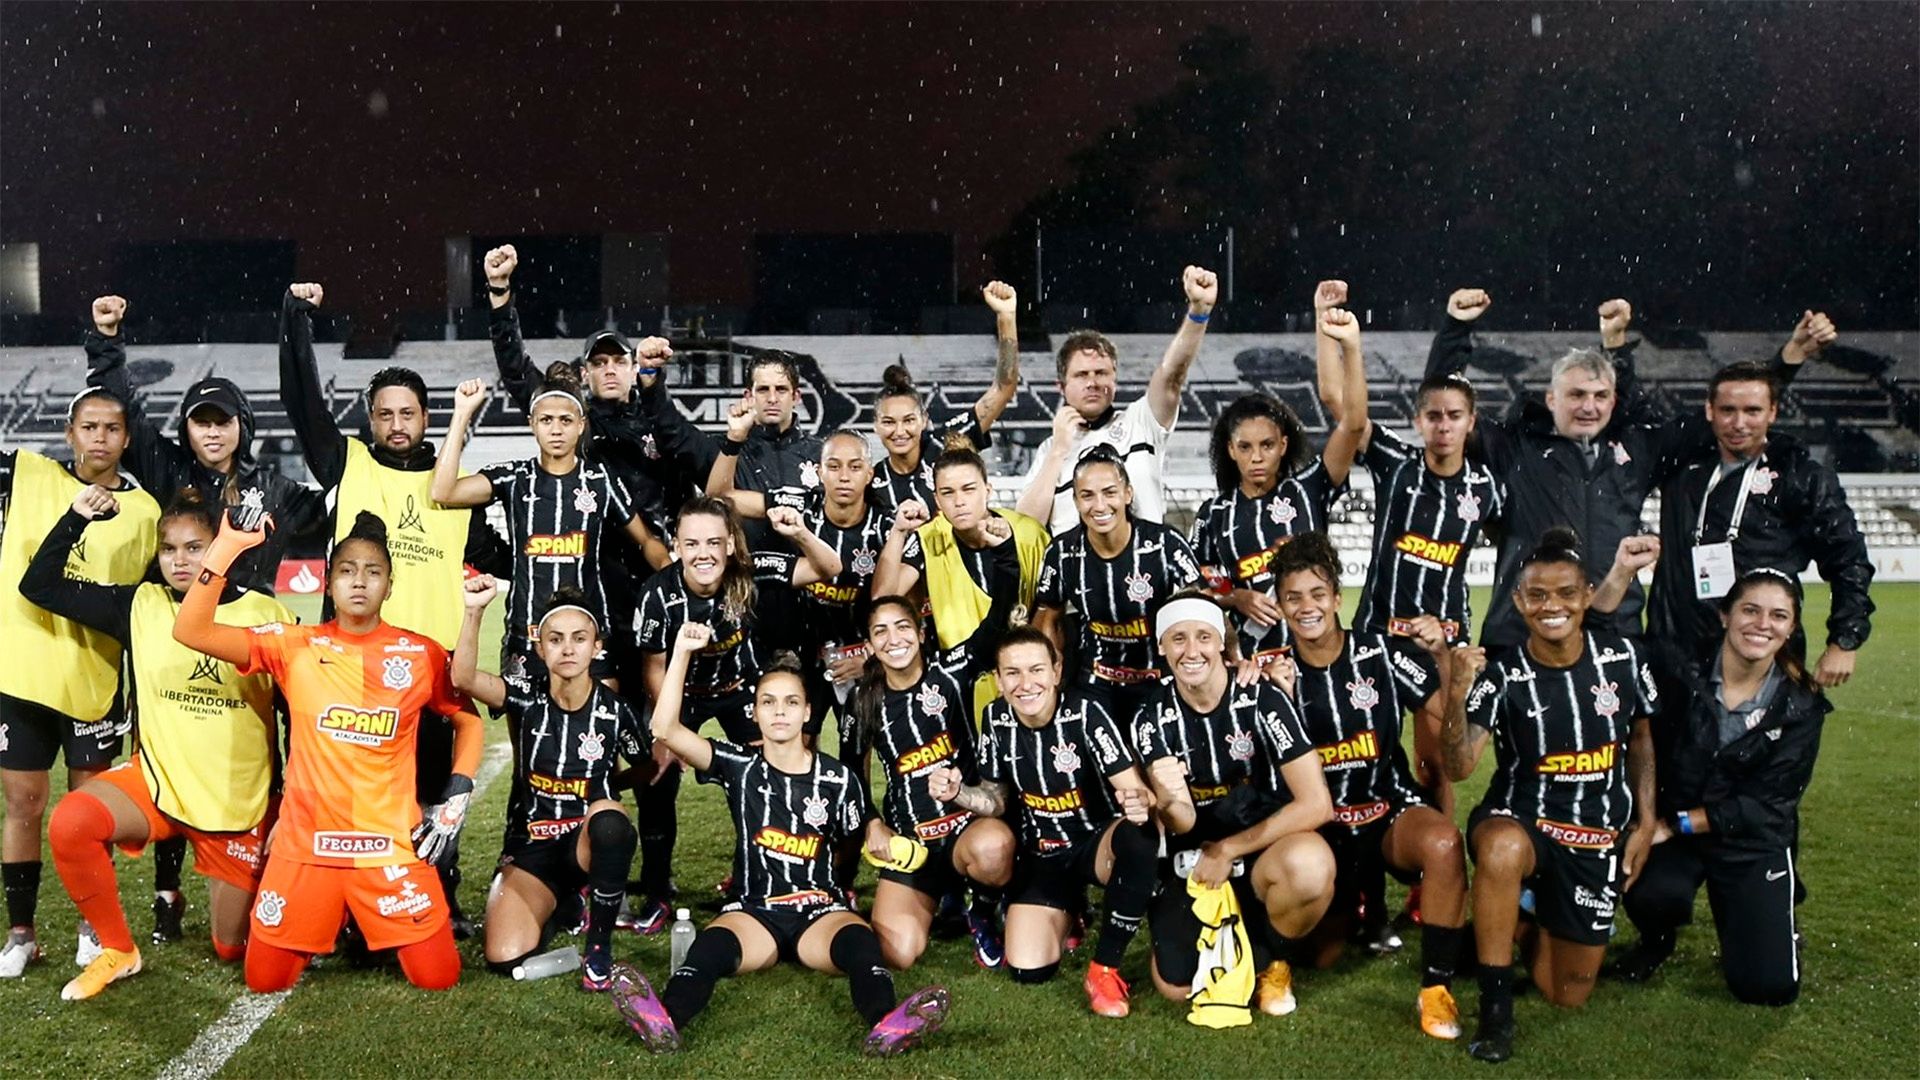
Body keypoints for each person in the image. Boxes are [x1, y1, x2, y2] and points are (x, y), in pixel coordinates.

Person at [86, 292, 330, 940]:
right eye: (200, 421)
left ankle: (278, 862)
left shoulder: (276, 489)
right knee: (167, 754)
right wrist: (107, 339)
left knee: (271, 756)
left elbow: (344, 499)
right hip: (179, 635)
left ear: (242, 424)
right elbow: (128, 409)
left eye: (222, 420)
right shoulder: (168, 468)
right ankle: (168, 890)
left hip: (252, 646)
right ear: (188, 428)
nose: (212, 431)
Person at [280, 281, 511, 935]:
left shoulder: (455, 484)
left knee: (440, 792)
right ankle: (356, 906)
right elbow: (302, 404)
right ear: (370, 419)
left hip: (435, 670)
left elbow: (502, 552)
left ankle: (441, 896)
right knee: (366, 793)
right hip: (358, 669)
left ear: (426, 419)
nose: (397, 424)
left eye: (408, 413)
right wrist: (295, 319)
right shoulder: (346, 462)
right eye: (385, 414)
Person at [172, 511, 484, 993]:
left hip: (388, 847)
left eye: (373, 572)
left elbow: (467, 720)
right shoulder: (293, 644)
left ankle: (355, 919)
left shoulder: (419, 654)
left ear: (389, 584)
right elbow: (192, 631)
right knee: (264, 980)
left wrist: (457, 792)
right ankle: (334, 919)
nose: (359, 582)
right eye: (347, 571)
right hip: (306, 848)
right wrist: (227, 547)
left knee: (438, 977)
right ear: (329, 581)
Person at [608, 627, 952, 1057]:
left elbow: (851, 839)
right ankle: (665, 1019)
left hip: (820, 913)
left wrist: (872, 840)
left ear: (808, 712)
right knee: (711, 946)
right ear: (754, 713)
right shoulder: (738, 766)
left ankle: (886, 1024)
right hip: (756, 913)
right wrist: (680, 652)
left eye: (791, 702)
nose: (780, 712)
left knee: (860, 943)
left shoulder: (837, 779)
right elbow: (664, 728)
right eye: (768, 703)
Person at [1426, 290, 1831, 647]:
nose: (1590, 406)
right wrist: (1455, 331)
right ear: (1551, 399)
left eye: (1601, 395)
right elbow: (1443, 405)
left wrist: (1789, 358)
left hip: (1614, 630)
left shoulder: (1637, 449)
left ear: (1613, 401)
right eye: (1577, 395)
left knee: (1624, 737)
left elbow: (1732, 415)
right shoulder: (1512, 447)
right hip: (1522, 629)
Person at [23, 487, 291, 999]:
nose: (179, 561)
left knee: (233, 948)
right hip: (159, 782)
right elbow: (41, 586)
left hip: (239, 801)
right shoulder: (140, 604)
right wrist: (75, 519)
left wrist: (295, 802)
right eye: (169, 550)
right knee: (72, 822)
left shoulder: (266, 613)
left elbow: (296, 714)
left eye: (195, 548)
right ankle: (120, 950)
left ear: (221, 546)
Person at [1440, 527, 1659, 1064]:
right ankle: (1496, 1012)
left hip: (1594, 832)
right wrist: (1456, 691)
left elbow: (1641, 738)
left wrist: (1646, 819)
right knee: (1501, 850)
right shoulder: (1505, 673)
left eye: (1565, 593)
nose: (1551, 606)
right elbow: (1459, 765)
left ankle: (1516, 917)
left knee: (1567, 993)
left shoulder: (1626, 659)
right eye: (1537, 595)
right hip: (1523, 819)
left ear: (1587, 594)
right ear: (1519, 602)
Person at [1268, 534, 1471, 1039]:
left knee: (1445, 843)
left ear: (1339, 598)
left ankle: (1436, 990)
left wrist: (1445, 661)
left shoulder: (1381, 652)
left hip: (1386, 813)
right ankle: (1323, 931)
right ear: (1279, 604)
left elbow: (1447, 723)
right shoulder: (1269, 667)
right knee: (1325, 954)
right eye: (1293, 597)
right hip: (1321, 831)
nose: (1307, 607)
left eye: (1317, 594)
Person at [1319, 287, 1505, 816]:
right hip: (1380, 636)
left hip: (1443, 641)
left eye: (1454, 416)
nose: (1443, 425)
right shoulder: (1397, 465)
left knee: (1435, 762)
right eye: (1434, 416)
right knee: (1363, 755)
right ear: (1419, 420)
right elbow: (1342, 408)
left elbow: (1515, 541)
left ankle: (1435, 875)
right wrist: (1335, 337)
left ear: (1471, 423)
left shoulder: (1488, 489)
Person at [0, 388, 159, 979]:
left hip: (92, 679)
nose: (100, 438)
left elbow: (140, 606)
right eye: (88, 427)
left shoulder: (145, 511)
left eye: (112, 428)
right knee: (22, 804)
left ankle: (95, 928)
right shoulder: (28, 474)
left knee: (90, 813)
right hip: (19, 672)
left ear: (126, 438)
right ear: (69, 433)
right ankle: (22, 934)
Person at [1613, 569, 1828, 1004]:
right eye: (1750, 610)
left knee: (1767, 988)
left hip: (1749, 841)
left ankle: (1769, 925)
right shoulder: (1680, 671)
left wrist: (1674, 825)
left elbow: (1766, 807)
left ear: (1790, 629)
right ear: (1725, 616)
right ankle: (1656, 940)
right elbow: (1617, 651)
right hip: (1677, 830)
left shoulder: (1802, 706)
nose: (1762, 624)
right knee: (1651, 887)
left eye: (1778, 616)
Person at [629, 496, 841, 928]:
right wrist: (668, 737)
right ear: (676, 546)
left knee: (764, 781)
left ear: (729, 545)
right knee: (656, 779)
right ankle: (657, 890)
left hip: (740, 687)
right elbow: (653, 666)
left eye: (713, 542)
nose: (703, 553)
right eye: (691, 544)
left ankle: (756, 883)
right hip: (683, 691)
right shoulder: (657, 596)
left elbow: (828, 569)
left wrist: (798, 532)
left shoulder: (750, 571)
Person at [929, 627, 1158, 1018]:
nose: (1025, 683)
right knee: (1027, 970)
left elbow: (1132, 790)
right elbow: (996, 799)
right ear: (999, 681)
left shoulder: (1086, 713)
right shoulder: (996, 718)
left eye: (1036, 670)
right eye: (1012, 673)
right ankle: (1070, 914)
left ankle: (1105, 968)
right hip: (1042, 855)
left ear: (1056, 670)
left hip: (1094, 844)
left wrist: (1138, 802)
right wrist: (958, 794)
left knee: (1139, 837)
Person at [1130, 594, 1337, 1019]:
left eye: (1204, 637)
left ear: (1223, 644)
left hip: (1257, 850)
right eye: (1178, 639)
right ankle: (1232, 939)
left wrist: (1230, 849)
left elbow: (1317, 803)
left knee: (1311, 866)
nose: (1192, 651)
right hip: (1193, 861)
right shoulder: (1150, 718)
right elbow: (1179, 820)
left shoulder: (1261, 697)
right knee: (1176, 987)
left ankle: (1272, 962)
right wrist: (1167, 800)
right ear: (1162, 647)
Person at [452, 579, 645, 991]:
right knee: (505, 955)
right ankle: (566, 904)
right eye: (556, 640)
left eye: (579, 639)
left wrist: (608, 793)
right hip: (532, 849)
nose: (568, 648)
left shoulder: (617, 712)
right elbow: (464, 678)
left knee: (610, 821)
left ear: (597, 647)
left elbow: (646, 767)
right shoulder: (526, 696)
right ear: (540, 648)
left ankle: (598, 952)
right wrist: (473, 611)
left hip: (586, 846)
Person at [1642, 359, 1872, 683]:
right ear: (1709, 411)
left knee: (1761, 734)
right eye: (1727, 410)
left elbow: (1849, 560)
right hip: (1676, 652)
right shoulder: (1682, 468)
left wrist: (1844, 641)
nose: (1739, 423)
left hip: (1762, 654)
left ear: (1773, 412)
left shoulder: (1800, 476)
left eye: (1752, 411)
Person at [431, 371, 669, 676]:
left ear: (581, 425)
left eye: (566, 421)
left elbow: (646, 540)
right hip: (525, 638)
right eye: (546, 420)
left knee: (599, 723)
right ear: (532, 423)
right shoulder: (513, 477)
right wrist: (463, 413)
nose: (556, 429)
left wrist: (673, 576)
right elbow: (443, 491)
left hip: (590, 636)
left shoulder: (600, 480)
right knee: (530, 724)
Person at [847, 584, 1020, 971]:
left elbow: (997, 620)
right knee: (897, 952)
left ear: (922, 633)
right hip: (913, 843)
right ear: (870, 646)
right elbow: (849, 772)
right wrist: (872, 823)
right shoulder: (861, 701)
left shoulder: (952, 672)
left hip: (966, 830)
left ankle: (981, 911)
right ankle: (943, 897)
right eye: (881, 632)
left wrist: (1001, 550)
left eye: (903, 627)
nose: (895, 639)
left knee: (993, 849)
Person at [1189, 305, 1370, 663]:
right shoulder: (1214, 515)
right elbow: (1195, 589)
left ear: (1283, 446)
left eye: (1267, 445)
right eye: (1245, 447)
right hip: (1254, 665)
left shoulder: (1309, 487)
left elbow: (1352, 424)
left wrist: (1347, 344)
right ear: (1230, 450)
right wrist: (1235, 598)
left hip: (1318, 657)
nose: (1257, 457)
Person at [709, 428, 890, 731]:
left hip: (862, 656)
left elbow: (897, 603)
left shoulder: (887, 527)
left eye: (854, 467)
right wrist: (734, 439)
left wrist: (871, 657)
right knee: (800, 745)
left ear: (869, 474)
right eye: (834, 466)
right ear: (819, 472)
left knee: (857, 753)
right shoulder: (798, 504)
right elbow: (720, 498)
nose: (844, 476)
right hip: (804, 652)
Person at [1016, 265, 1219, 533]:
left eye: (1101, 373)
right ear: (1061, 387)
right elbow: (1026, 527)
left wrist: (1198, 313)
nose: (1092, 382)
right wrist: (1058, 453)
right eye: (1081, 375)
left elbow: (1172, 376)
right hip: (1079, 573)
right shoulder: (1048, 451)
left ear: (1115, 380)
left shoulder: (1141, 422)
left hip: (1144, 568)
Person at [873, 441, 1049, 718]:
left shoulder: (1029, 533)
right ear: (937, 500)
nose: (959, 501)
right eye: (948, 492)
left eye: (969, 489)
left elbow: (1051, 609)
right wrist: (898, 532)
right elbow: (883, 601)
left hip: (1026, 679)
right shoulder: (928, 537)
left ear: (987, 490)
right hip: (961, 682)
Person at [1032, 448, 1204, 728]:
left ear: (1128, 494)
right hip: (1095, 682)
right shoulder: (1062, 553)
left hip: (1159, 681)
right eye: (1087, 495)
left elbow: (1202, 607)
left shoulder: (1165, 544)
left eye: (1109, 493)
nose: (1099, 506)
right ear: (1075, 500)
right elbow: (1047, 616)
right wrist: (1050, 677)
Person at [868, 281, 1023, 513]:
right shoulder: (871, 484)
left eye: (909, 420)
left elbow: (1005, 387)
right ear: (876, 426)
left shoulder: (946, 443)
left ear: (924, 420)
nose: (900, 431)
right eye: (889, 422)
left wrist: (1006, 316)